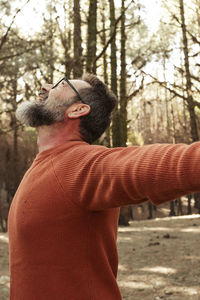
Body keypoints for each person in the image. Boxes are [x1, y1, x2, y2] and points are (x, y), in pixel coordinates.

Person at [8, 73, 200, 300]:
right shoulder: (42, 165)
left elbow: (165, 163)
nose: (45, 87)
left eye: (60, 84)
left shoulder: (83, 165)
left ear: (77, 110)